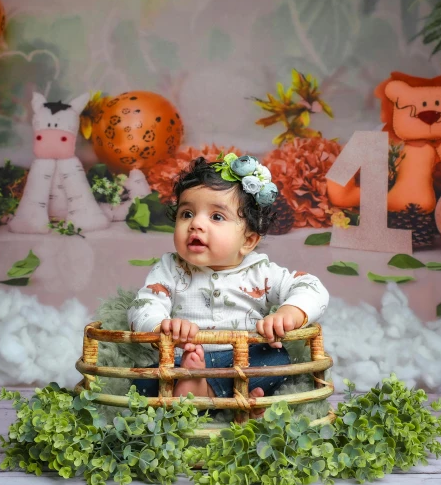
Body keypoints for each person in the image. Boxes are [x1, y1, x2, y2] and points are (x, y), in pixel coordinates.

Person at [127, 152, 329, 416]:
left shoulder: (261, 271)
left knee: (276, 360)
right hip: (183, 358)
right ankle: (230, 398)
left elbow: (312, 287)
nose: (196, 224)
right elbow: (143, 304)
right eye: (187, 213)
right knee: (142, 378)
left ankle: (204, 394)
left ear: (248, 240)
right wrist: (161, 325)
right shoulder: (171, 267)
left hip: (240, 360)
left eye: (217, 217)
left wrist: (290, 312)